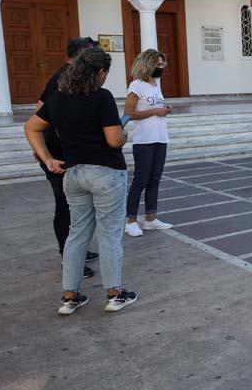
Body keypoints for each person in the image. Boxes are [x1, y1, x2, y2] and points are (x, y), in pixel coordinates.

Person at [24, 47, 138, 315]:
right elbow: (113, 140)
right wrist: (123, 135)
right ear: (99, 72)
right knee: (109, 234)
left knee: (77, 235)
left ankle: (70, 296)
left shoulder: (58, 98)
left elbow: (31, 127)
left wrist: (48, 158)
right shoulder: (101, 97)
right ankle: (115, 293)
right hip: (105, 172)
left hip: (73, 174)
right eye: (105, 73)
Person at [35, 37, 98, 279]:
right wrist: (44, 151)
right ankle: (69, 258)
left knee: (77, 208)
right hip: (59, 158)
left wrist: (40, 145)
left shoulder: (64, 75)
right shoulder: (65, 78)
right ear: (82, 55)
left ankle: (78, 250)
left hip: (63, 153)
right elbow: (41, 114)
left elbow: (39, 107)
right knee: (66, 207)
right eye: (93, 55)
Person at [124, 50, 173, 237]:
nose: (161, 68)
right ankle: (131, 221)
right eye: (158, 65)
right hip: (144, 140)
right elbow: (128, 114)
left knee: (155, 179)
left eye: (162, 65)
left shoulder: (155, 84)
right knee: (140, 180)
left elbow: (155, 108)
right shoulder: (137, 85)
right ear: (147, 64)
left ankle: (151, 218)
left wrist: (164, 109)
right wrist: (154, 112)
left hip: (161, 138)